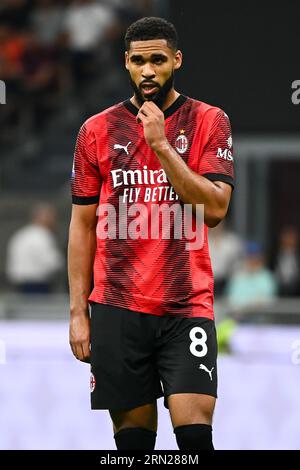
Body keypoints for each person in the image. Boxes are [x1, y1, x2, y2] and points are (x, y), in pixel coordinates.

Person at [68, 17, 234, 451]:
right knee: (134, 449)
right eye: (138, 61)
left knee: (196, 441)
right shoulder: (96, 131)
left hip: (186, 305)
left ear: (176, 60)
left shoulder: (209, 121)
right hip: (117, 307)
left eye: (157, 60)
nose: (148, 71)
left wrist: (161, 145)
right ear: (125, 63)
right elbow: (82, 227)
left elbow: (215, 208)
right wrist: (77, 312)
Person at [6, 203, 63, 294]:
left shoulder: (22, 234)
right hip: (37, 285)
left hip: (19, 285)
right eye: (51, 217)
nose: (54, 221)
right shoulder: (42, 235)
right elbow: (53, 263)